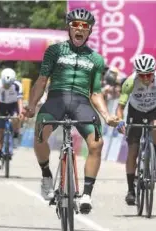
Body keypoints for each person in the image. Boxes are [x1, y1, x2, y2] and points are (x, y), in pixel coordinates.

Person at [23, 8, 119, 214]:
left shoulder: (96, 59)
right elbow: (42, 81)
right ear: (69, 27)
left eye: (84, 26)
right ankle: (47, 175)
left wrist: (107, 115)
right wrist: (32, 105)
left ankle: (86, 195)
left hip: (82, 103)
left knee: (97, 143)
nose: (80, 29)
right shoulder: (54, 51)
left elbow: (96, 92)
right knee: (40, 134)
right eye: (75, 24)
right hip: (56, 99)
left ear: (90, 31)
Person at [115, 54, 156, 206]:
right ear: (137, 73)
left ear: (153, 72)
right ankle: (131, 190)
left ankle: (155, 156)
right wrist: (119, 121)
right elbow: (120, 107)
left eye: (148, 75)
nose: (145, 79)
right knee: (132, 151)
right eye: (141, 75)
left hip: (154, 109)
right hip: (135, 111)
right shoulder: (129, 82)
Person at [0, 68, 24, 169]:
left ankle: (15, 134)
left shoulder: (18, 85)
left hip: (13, 105)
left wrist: (21, 112)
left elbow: (19, 100)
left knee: (16, 118)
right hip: (1, 105)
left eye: (9, 85)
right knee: (0, 131)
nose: (7, 86)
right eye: (5, 84)